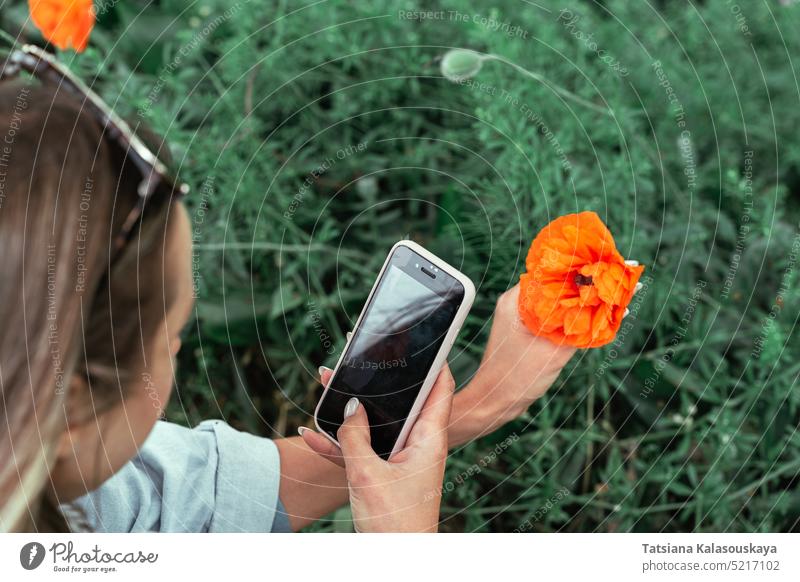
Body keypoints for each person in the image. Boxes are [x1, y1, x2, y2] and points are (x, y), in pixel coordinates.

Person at [0, 75, 575, 533]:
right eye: (171, 337)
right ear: (69, 410)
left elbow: (195, 501)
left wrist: (476, 408)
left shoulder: (59, 480)